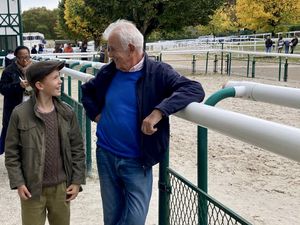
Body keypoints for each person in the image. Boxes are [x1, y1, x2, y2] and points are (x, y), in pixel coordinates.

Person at [81, 19, 205, 225]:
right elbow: (87, 92)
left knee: (135, 219)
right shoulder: (109, 71)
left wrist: (159, 111)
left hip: (137, 161)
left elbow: (194, 89)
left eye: (112, 49)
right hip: (106, 154)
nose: (109, 54)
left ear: (130, 48)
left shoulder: (158, 72)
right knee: (111, 217)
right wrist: (96, 115)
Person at [5, 60, 86, 225]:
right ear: (40, 85)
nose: (60, 81)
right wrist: (19, 183)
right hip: (32, 189)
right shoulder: (19, 114)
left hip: (61, 189)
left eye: (60, 77)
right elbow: (11, 153)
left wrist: (76, 181)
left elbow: (77, 149)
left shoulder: (67, 113)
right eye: (56, 78)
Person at [0, 46, 32, 155]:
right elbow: (3, 89)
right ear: (16, 57)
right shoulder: (8, 71)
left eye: (27, 57)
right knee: (12, 136)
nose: (24, 60)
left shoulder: (35, 69)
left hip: (32, 108)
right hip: (14, 109)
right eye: (21, 58)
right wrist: (18, 85)